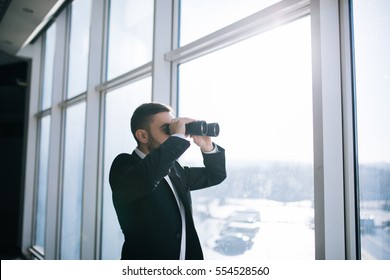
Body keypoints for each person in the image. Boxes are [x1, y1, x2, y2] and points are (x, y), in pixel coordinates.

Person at [109, 102, 226, 260]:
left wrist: (207, 146)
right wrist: (177, 137)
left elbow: (215, 175)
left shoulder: (175, 170)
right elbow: (146, 178)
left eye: (174, 128)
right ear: (143, 135)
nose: (174, 134)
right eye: (167, 129)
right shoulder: (124, 165)